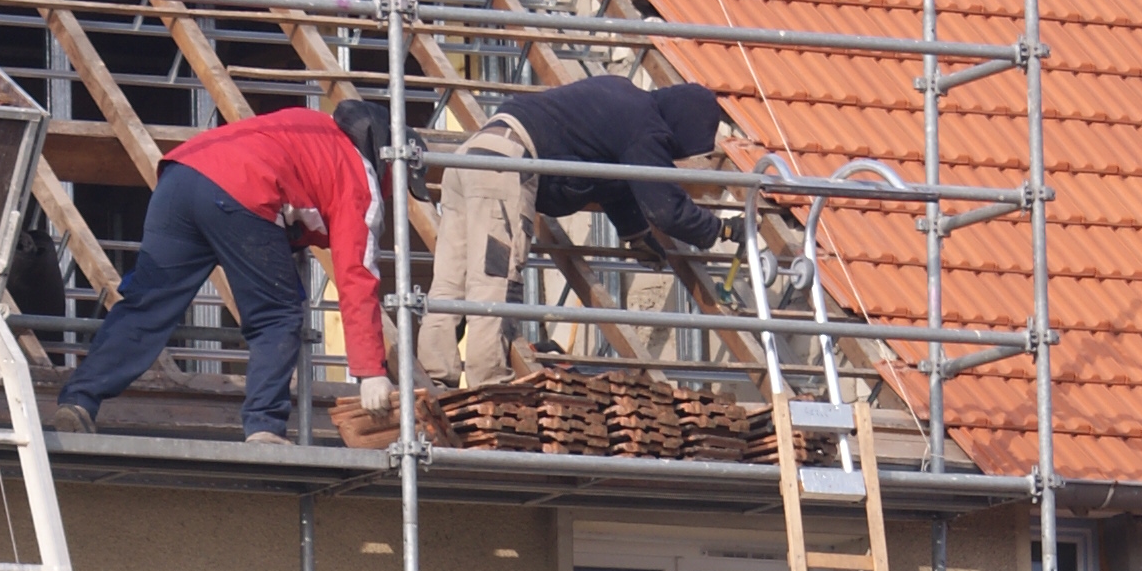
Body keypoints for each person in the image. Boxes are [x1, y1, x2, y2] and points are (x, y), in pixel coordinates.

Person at [55, 98, 396, 446]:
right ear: (388, 161)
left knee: (147, 305)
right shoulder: (360, 179)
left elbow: (293, 195)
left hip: (181, 173)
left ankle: (79, 399)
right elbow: (357, 277)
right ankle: (264, 428)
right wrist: (370, 371)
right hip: (241, 188)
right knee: (277, 315)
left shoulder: (311, 126)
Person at [424, 77, 733, 392]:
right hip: (504, 164)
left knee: (451, 282)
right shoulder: (647, 126)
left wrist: (637, 235)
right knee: (495, 278)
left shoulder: (622, 101)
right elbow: (667, 209)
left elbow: (617, 184)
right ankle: (489, 388)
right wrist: (720, 229)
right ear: (684, 127)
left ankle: (433, 379)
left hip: (469, 155)